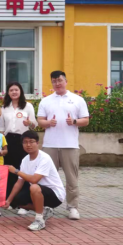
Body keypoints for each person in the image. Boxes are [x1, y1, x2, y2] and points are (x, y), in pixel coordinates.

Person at [37, 70, 90, 220]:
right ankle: (48, 205)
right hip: (50, 145)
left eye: (60, 80)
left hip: (70, 145)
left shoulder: (77, 100)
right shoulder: (46, 101)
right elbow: (40, 121)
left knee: (71, 178)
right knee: (47, 178)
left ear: (66, 81)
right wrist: (48, 122)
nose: (57, 83)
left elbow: (86, 120)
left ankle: (72, 207)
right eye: (54, 81)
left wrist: (74, 121)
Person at [3, 130, 66, 231]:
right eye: (25, 142)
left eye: (31, 142)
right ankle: (44, 210)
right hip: (37, 191)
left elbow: (34, 179)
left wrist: (16, 171)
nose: (28, 145)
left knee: (34, 187)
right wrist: (9, 200)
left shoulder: (44, 158)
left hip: (55, 195)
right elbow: (19, 182)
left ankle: (39, 220)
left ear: (37, 143)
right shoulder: (25, 160)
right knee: (16, 200)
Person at [0, 82, 38, 206]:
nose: (14, 92)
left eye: (16, 90)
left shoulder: (28, 106)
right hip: (9, 140)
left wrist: (29, 123)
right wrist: (1, 144)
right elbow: (1, 128)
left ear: (20, 91)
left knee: (23, 169)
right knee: (9, 170)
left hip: (23, 140)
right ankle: (9, 200)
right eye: (11, 90)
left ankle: (23, 201)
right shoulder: (4, 108)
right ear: (8, 93)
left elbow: (35, 125)